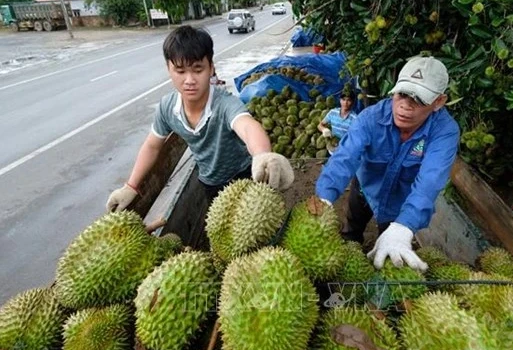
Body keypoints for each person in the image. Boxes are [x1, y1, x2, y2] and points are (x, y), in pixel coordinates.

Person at [106, 26, 294, 235]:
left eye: (197, 70)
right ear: (168, 68)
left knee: (256, 231)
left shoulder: (224, 104)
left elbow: (248, 127)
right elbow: (151, 146)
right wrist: (131, 186)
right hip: (209, 182)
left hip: (244, 175)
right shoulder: (167, 108)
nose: (189, 80)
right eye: (180, 71)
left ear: (211, 68)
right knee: (225, 232)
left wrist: (262, 156)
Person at [315, 56, 460, 272]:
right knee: (351, 228)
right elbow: (344, 158)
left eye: (418, 99)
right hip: (365, 189)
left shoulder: (444, 132)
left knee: (390, 252)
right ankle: (347, 253)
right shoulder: (370, 119)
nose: (405, 106)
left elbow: (430, 181)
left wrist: (404, 226)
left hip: (400, 204)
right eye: (402, 95)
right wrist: (323, 198)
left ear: (438, 102)